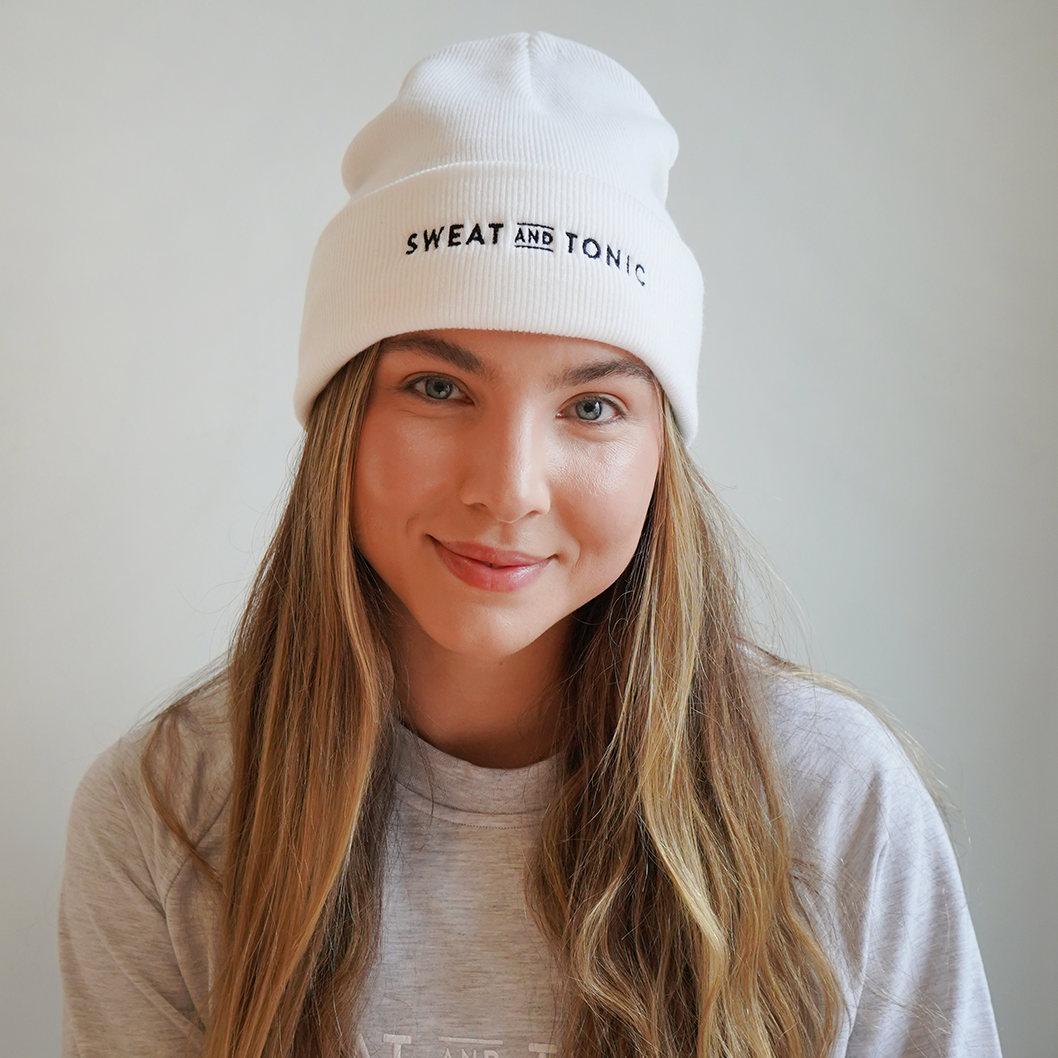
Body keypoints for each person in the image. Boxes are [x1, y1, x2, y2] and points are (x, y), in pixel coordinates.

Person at [58, 31, 1002, 1058]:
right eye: (437, 387)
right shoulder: (167, 814)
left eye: (591, 405)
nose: (508, 490)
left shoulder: (833, 801)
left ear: (658, 452)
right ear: (340, 419)